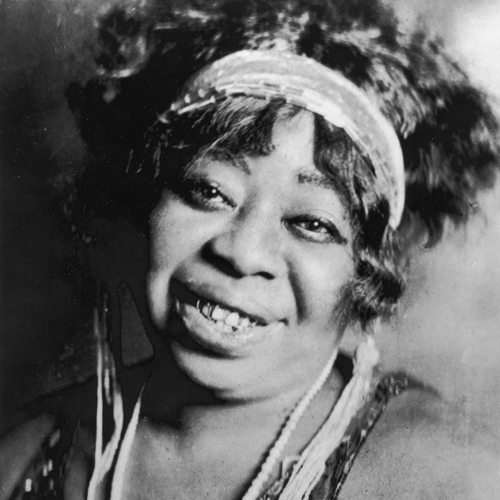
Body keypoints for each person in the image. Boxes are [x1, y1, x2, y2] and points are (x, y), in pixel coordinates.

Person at [1, 0, 500, 499]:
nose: (241, 252)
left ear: (367, 274)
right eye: (209, 191)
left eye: (311, 223)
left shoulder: (456, 479)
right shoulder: (23, 455)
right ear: (144, 201)